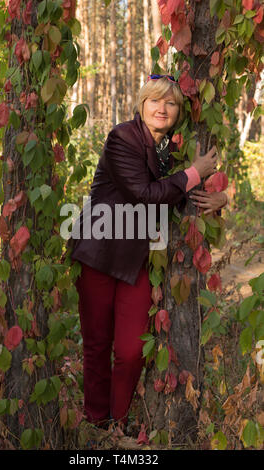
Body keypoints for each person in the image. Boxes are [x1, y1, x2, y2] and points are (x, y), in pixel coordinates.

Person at [68, 74, 227, 430]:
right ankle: (97, 423)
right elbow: (145, 193)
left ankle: (119, 419)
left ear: (177, 113)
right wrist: (193, 174)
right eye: (155, 100)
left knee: (129, 350)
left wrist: (220, 198)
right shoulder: (122, 137)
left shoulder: (171, 149)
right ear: (141, 106)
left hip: (138, 261)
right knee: (96, 345)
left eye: (170, 103)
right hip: (99, 253)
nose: (162, 108)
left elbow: (177, 194)